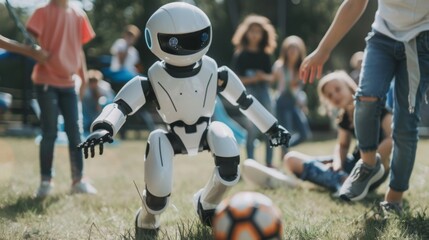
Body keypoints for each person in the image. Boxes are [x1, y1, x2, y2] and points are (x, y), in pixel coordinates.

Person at [77, 3, 290, 238]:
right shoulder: (152, 77)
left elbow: (245, 101)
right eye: (176, 41)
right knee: (158, 194)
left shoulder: (215, 70)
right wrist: (104, 126)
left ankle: (207, 204)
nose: (184, 45)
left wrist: (272, 127)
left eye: (192, 38)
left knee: (229, 165)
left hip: (207, 130)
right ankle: (148, 219)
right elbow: (121, 106)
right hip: (171, 137)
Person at [300, 0, 429, 214]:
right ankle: (368, 164)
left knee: (406, 125)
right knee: (365, 98)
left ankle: (393, 200)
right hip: (382, 37)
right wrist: (323, 50)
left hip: (421, 42)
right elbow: (354, 3)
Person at [26, 0, 97, 198]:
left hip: (69, 84)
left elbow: (78, 49)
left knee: (75, 132)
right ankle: (45, 181)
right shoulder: (42, 11)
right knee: (49, 133)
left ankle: (78, 180)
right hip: (46, 81)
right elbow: (29, 43)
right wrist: (35, 50)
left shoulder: (78, 14)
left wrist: (82, 78)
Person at [284, 71, 392, 193]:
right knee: (291, 159)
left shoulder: (375, 107)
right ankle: (343, 181)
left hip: (375, 170)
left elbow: (391, 139)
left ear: (349, 86)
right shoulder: (345, 116)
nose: (334, 96)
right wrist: (338, 166)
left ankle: (345, 183)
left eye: (338, 89)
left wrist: (368, 165)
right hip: (353, 165)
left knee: (301, 163)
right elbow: (342, 145)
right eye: (329, 95)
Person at [231, 14, 277, 167]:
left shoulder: (265, 55)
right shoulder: (240, 55)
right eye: (252, 31)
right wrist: (254, 79)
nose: (255, 34)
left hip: (264, 92)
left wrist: (263, 76)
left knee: (270, 124)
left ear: (263, 34)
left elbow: (271, 77)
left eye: (258, 31)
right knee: (251, 127)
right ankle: (251, 162)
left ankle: (269, 162)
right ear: (246, 33)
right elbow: (236, 79)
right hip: (247, 93)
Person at [272, 35, 312, 154]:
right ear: (285, 50)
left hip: (295, 102)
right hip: (282, 101)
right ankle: (285, 154)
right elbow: (273, 82)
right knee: (286, 131)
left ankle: (285, 148)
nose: (293, 51)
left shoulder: (302, 67)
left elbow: (299, 89)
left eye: (295, 48)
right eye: (290, 48)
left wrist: (302, 103)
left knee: (305, 133)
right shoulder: (279, 66)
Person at [107, 24, 142, 91]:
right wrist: (127, 47)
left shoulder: (134, 51)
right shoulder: (119, 43)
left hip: (129, 74)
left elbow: (136, 65)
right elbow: (121, 62)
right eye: (128, 34)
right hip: (118, 73)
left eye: (132, 36)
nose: (130, 37)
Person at [81, 69, 114, 134]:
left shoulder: (105, 87)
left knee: (102, 101)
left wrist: (100, 102)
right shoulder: (85, 88)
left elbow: (112, 100)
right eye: (91, 81)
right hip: (89, 109)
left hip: (103, 108)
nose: (93, 83)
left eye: (95, 81)